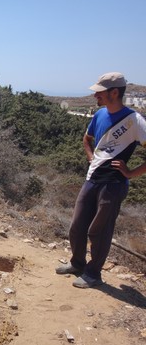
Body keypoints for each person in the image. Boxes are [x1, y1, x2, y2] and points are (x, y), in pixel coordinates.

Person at [56, 72, 146, 288]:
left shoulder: (134, 120)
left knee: (99, 230)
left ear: (114, 92)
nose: (95, 96)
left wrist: (130, 173)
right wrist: (91, 158)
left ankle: (93, 274)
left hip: (113, 184)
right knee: (77, 226)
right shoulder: (99, 115)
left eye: (100, 92)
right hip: (92, 178)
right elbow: (87, 139)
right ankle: (77, 264)